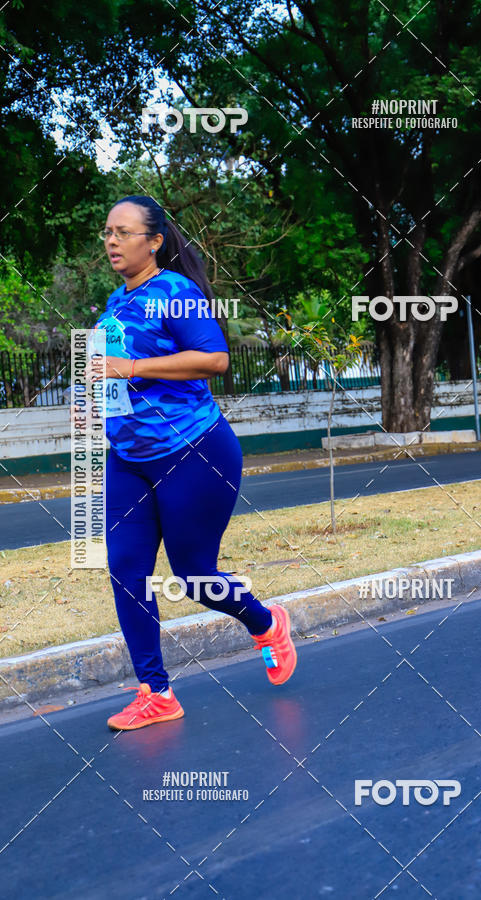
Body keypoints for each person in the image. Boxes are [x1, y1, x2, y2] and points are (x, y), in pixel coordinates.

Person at [85, 195, 297, 731]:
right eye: (107, 232)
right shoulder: (113, 304)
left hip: (193, 451)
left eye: (123, 232)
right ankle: (156, 692)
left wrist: (130, 365)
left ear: (153, 241)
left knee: (194, 576)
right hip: (128, 457)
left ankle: (267, 621)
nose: (111, 240)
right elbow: (115, 379)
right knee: (126, 570)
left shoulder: (175, 293)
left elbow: (216, 359)